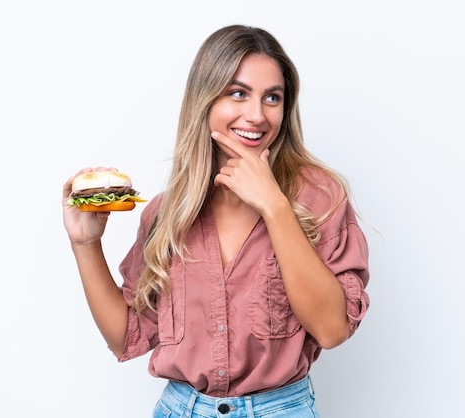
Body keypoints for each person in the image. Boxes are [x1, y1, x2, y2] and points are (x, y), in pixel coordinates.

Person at [62, 24, 370, 418]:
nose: (256, 115)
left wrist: (274, 206)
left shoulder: (320, 197)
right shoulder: (167, 212)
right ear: (205, 100)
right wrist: (85, 245)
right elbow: (126, 338)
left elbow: (332, 329)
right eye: (237, 93)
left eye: (272, 98)